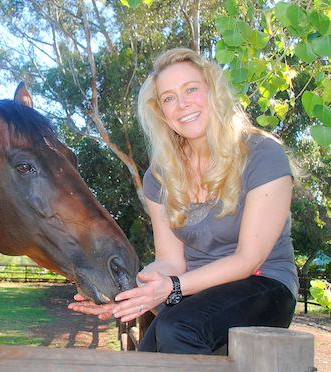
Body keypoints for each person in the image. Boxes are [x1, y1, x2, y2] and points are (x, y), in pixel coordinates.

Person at [68, 47, 299, 355]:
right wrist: (125, 293)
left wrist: (173, 287)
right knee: (146, 357)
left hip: (265, 285)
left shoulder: (262, 154)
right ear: (161, 111)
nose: (182, 104)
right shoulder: (160, 175)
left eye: (191, 89)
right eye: (169, 97)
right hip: (195, 293)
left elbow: (248, 259)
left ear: (213, 92)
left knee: (177, 328)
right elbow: (171, 261)